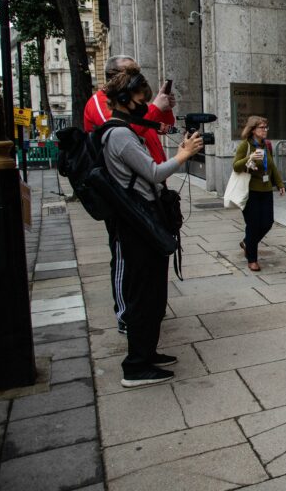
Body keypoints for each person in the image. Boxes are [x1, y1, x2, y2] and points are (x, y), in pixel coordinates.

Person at [101, 66, 204, 387]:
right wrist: (184, 154)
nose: (144, 103)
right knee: (145, 295)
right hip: (139, 223)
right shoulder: (118, 134)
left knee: (152, 293)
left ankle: (146, 353)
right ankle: (136, 365)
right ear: (124, 98)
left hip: (140, 220)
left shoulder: (121, 129)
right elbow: (155, 173)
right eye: (140, 98)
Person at [85, 55, 176, 335]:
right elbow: (120, 130)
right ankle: (127, 314)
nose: (137, 78)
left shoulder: (136, 103)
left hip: (148, 189)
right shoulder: (102, 103)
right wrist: (152, 110)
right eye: (131, 73)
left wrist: (162, 108)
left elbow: (161, 125)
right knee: (126, 257)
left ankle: (146, 313)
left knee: (149, 259)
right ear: (115, 78)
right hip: (124, 196)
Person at [232, 116, 285, 272]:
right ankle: (252, 259)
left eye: (266, 127)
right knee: (253, 225)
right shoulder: (245, 146)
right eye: (262, 127)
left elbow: (272, 166)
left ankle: (248, 243)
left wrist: (280, 183)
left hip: (266, 190)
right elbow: (235, 166)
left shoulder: (266, 145)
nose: (265, 130)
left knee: (267, 222)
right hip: (250, 191)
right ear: (253, 130)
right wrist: (250, 158)